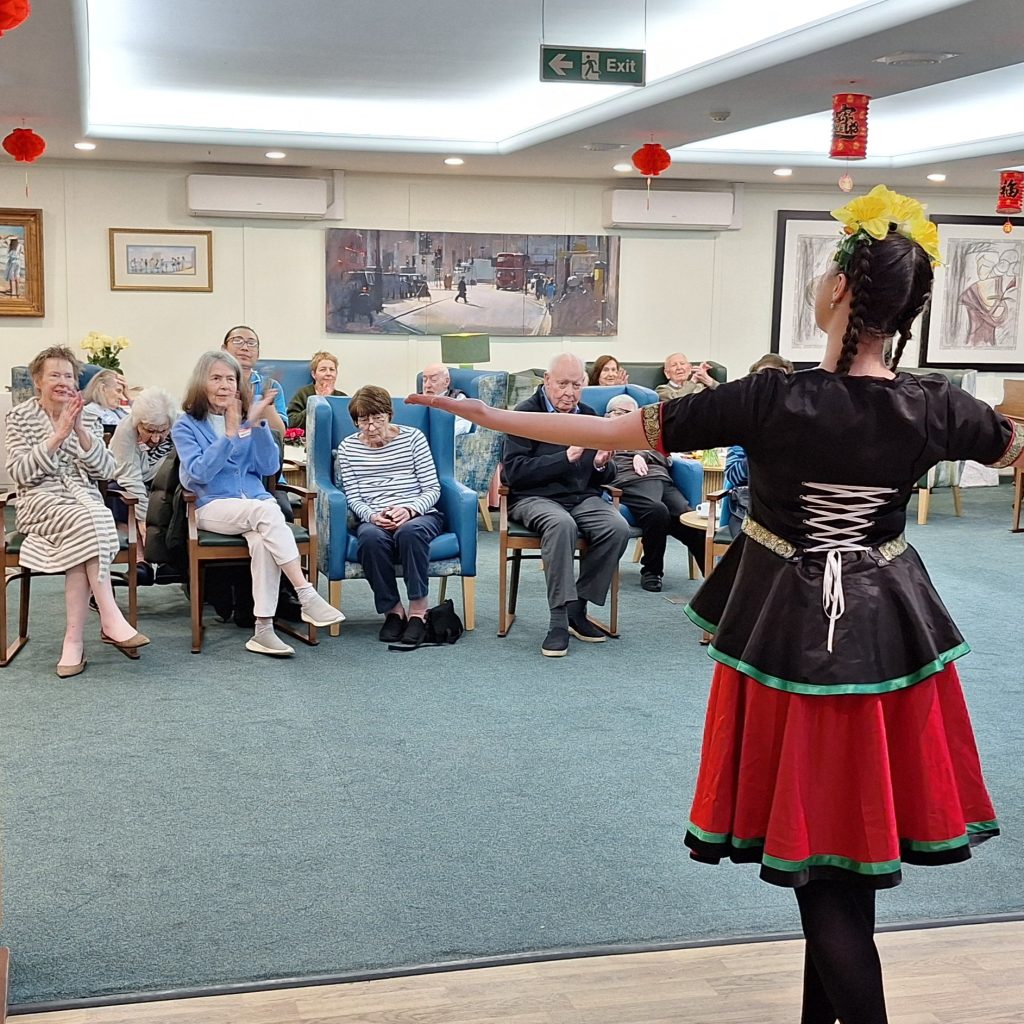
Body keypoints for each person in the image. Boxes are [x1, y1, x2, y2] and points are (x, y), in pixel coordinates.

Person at [410, 186, 1024, 1024]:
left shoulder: (772, 399)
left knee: (824, 870)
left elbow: (616, 433)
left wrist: (485, 415)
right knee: (842, 864)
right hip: (887, 632)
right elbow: (1010, 437)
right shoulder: (937, 405)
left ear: (840, 291)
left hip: (790, 633)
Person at [172, 350, 344, 656]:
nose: (225, 385)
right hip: (212, 506)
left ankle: (262, 630)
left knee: (263, 539)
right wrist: (228, 434)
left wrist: (259, 423)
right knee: (267, 510)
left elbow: (267, 468)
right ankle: (305, 593)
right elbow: (198, 473)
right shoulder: (186, 424)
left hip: (254, 506)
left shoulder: (244, 419)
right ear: (202, 383)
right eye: (216, 378)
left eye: (230, 378)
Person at [5, 345, 150, 677]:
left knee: (89, 525)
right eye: (54, 375)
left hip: (80, 499)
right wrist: (57, 436)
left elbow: (107, 470)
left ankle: (74, 642)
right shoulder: (20, 417)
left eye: (68, 375)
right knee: (94, 519)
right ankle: (110, 617)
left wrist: (82, 430)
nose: (62, 381)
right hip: (39, 502)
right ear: (37, 380)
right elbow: (20, 474)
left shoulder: (88, 415)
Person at [501, 353, 629, 658]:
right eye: (562, 384)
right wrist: (563, 459)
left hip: (580, 497)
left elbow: (604, 475)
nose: (569, 392)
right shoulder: (524, 415)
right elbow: (514, 472)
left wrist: (600, 465)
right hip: (534, 498)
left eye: (576, 384)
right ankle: (558, 621)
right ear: (547, 381)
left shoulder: (588, 415)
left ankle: (578, 607)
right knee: (561, 525)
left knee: (617, 527)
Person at [334, 385, 444, 646]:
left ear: (389, 415)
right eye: (363, 420)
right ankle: (393, 611)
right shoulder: (348, 448)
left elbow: (433, 488)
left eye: (377, 418)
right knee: (370, 539)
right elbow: (354, 497)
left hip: (419, 513)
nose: (371, 427)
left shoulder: (413, 438)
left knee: (411, 532)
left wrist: (409, 510)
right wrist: (371, 516)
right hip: (375, 517)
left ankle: (418, 612)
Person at [604, 394, 704, 590]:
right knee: (657, 511)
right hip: (629, 482)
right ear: (608, 415)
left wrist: (641, 454)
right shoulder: (603, 434)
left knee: (687, 518)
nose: (626, 417)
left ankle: (715, 579)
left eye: (631, 414)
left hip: (662, 480)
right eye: (621, 412)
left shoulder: (647, 434)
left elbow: (666, 456)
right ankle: (652, 571)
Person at [108, 387, 177, 583]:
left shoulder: (179, 424)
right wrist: (145, 521)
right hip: (130, 481)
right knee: (119, 495)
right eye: (149, 431)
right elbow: (129, 478)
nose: (156, 438)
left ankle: (168, 560)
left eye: (163, 431)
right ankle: (140, 561)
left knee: (176, 495)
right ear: (138, 423)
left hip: (164, 482)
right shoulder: (125, 431)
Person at [724, 354, 795, 536]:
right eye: (765, 379)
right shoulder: (742, 423)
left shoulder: (800, 422)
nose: (772, 386)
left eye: (779, 379)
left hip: (791, 509)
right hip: (748, 509)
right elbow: (733, 474)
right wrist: (760, 448)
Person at [221, 325, 287, 435]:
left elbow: (280, 434)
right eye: (237, 341)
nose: (245, 348)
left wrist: (266, 405)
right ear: (224, 349)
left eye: (251, 343)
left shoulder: (271, 386)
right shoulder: (213, 385)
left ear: (258, 353)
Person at [286, 351, 347, 429]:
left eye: (332, 370)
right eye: (323, 370)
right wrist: (317, 403)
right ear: (314, 374)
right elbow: (291, 422)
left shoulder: (342, 397)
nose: (328, 373)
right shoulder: (303, 394)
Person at [420, 363, 471, 436]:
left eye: (433, 380)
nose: (427, 385)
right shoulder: (416, 400)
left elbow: (463, 425)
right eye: (424, 380)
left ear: (446, 382)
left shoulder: (457, 399)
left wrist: (438, 435)